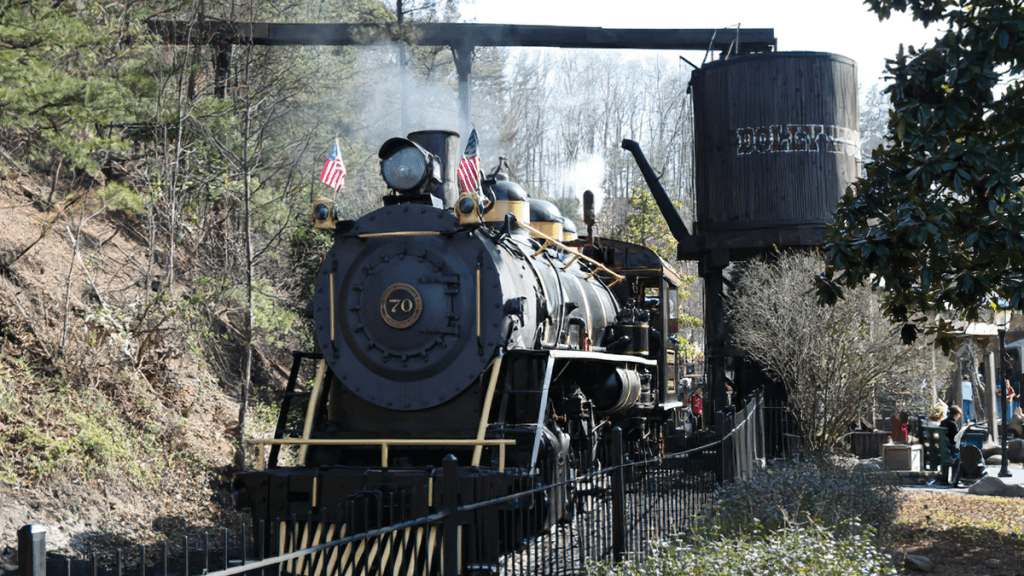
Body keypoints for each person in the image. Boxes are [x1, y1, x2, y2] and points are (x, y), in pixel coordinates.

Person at [940, 405, 963, 486]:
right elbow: (956, 439)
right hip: (951, 451)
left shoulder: (942, 423)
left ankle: (945, 478)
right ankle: (954, 480)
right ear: (956, 414)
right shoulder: (953, 424)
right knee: (960, 458)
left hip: (942, 451)